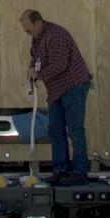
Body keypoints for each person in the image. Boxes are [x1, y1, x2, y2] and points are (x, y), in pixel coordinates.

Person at [19, 9, 92, 185]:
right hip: (56, 90)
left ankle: (80, 173)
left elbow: (59, 65)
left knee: (75, 130)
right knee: (55, 130)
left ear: (38, 22)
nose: (27, 33)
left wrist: (39, 75)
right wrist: (31, 73)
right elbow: (36, 59)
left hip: (73, 85)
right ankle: (61, 170)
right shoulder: (37, 38)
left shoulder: (56, 35)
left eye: (28, 29)